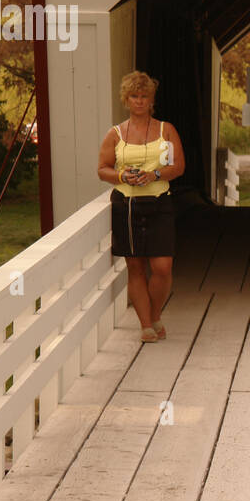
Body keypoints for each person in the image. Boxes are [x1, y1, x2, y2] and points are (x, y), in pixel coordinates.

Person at [97, 71, 186, 343]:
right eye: (134, 96)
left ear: (151, 99)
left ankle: (155, 313)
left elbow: (178, 167)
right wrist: (123, 176)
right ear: (126, 99)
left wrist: (155, 175)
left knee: (162, 266)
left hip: (159, 202)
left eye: (144, 96)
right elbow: (103, 170)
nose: (139, 101)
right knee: (135, 266)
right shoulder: (115, 134)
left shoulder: (165, 130)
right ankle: (146, 325)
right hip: (127, 204)